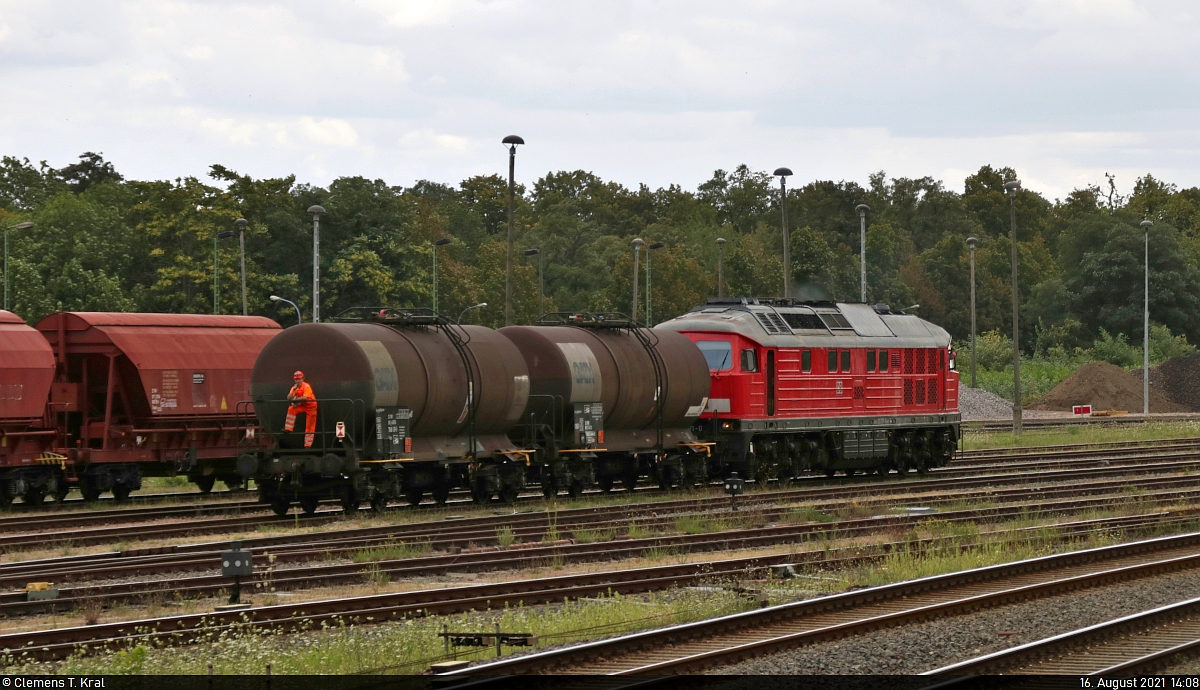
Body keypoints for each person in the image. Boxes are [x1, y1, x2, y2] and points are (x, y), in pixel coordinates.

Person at [283, 370, 317, 448]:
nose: (297, 381)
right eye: (296, 379)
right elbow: (288, 398)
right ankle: (288, 428)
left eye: (299, 379)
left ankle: (308, 445)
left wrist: (295, 399)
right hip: (302, 405)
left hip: (311, 407)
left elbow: (305, 398)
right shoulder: (294, 388)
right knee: (291, 409)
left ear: (302, 379)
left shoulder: (306, 386)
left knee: (310, 426)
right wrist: (293, 391)